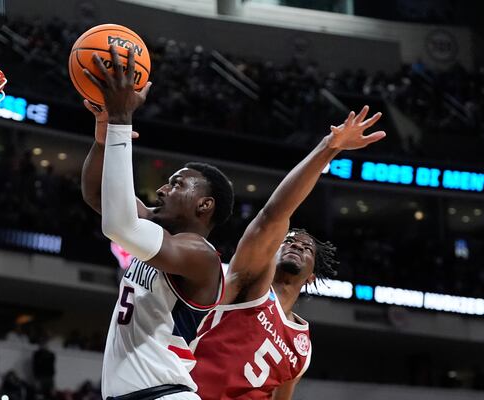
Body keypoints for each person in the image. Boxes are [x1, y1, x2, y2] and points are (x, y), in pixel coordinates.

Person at [190, 105, 385, 399]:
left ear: (311, 276)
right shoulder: (248, 280)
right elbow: (272, 216)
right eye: (290, 240)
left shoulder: (302, 346)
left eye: (307, 248)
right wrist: (328, 148)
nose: (297, 244)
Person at [81, 45, 234, 399]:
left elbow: (120, 227)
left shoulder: (201, 256)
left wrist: (122, 120)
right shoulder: (154, 229)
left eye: (178, 183)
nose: (164, 188)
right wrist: (104, 132)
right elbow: (97, 197)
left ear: (204, 205)